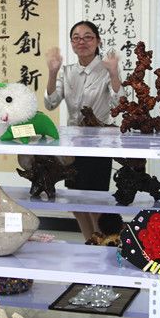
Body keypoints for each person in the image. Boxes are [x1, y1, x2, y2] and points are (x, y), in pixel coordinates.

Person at [44, 21, 123, 239]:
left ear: (98, 41)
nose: (82, 42)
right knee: (76, 202)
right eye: (76, 38)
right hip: (72, 145)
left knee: (95, 201)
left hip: (99, 144)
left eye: (88, 37)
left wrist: (114, 74)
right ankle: (90, 242)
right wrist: (52, 73)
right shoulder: (67, 71)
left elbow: (119, 103)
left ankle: (104, 244)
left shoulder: (106, 70)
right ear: (71, 43)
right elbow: (50, 103)